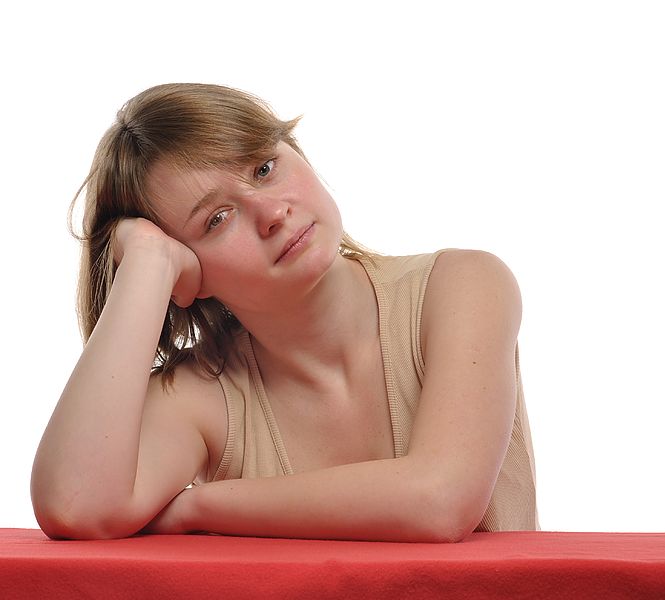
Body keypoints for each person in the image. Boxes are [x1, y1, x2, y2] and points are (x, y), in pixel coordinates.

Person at [30, 83, 538, 542]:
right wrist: (145, 260)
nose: (273, 214)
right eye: (217, 219)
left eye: (264, 168)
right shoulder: (206, 395)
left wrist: (201, 506)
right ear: (187, 276)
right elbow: (76, 506)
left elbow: (439, 500)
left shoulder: (463, 285)